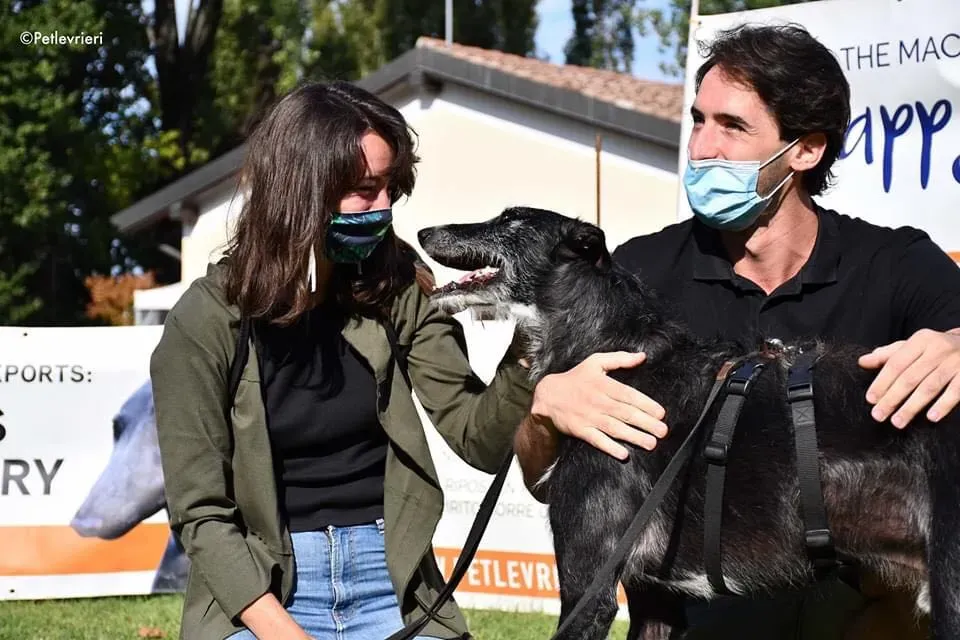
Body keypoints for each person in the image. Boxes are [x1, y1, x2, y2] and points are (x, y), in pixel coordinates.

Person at [514, 23, 960, 640]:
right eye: (698, 121)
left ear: (805, 150)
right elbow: (538, 477)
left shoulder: (895, 264)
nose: (702, 148)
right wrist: (546, 414)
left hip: (864, 619)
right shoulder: (637, 273)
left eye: (733, 127)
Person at [150, 80, 534, 640]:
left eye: (388, 190)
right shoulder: (205, 321)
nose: (383, 209)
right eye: (363, 190)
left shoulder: (399, 287)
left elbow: (479, 436)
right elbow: (201, 515)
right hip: (264, 590)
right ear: (300, 192)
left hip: (392, 584)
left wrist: (532, 342)